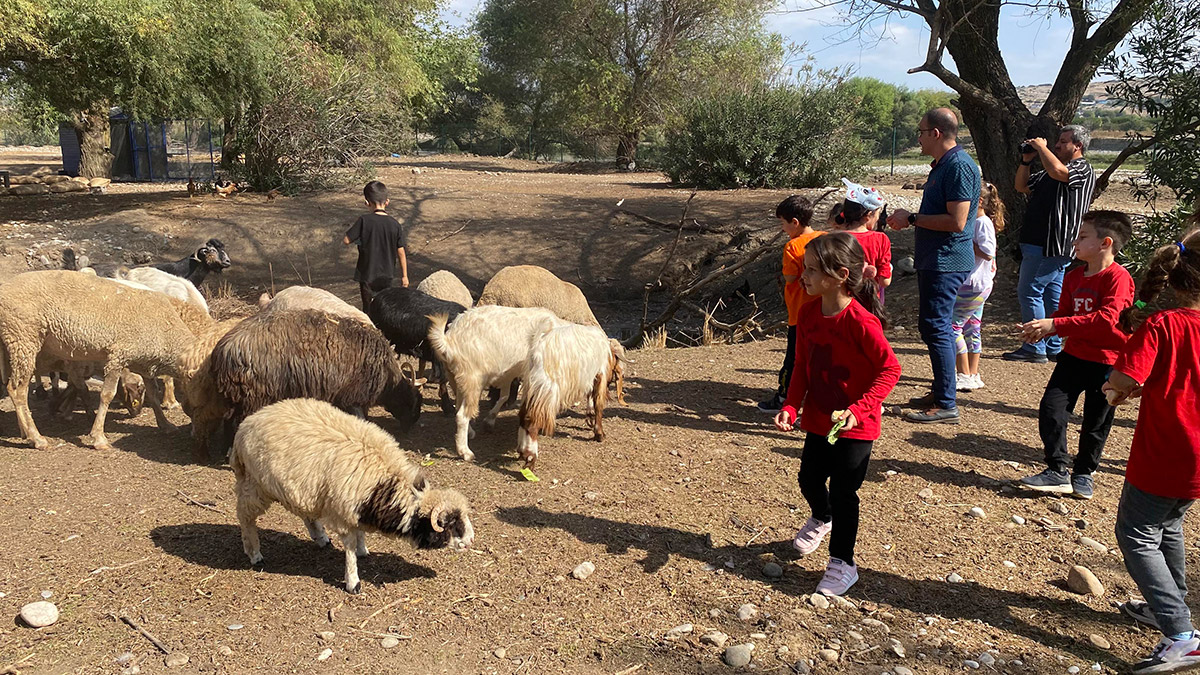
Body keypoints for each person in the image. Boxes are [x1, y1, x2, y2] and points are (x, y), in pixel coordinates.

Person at [773, 232, 901, 596]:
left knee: (845, 492)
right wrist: (789, 405)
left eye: (812, 270)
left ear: (841, 275)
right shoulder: (809, 311)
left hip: (857, 426)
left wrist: (859, 410)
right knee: (809, 480)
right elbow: (801, 366)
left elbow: (890, 369)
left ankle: (843, 563)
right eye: (804, 269)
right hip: (818, 419)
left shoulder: (860, 321)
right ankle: (821, 516)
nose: (804, 277)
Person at [1102, 226, 1200, 674]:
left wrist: (1118, 389)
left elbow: (1123, 380)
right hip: (1195, 461)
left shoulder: (1165, 324)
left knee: (1136, 533)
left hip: (1167, 451)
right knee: (1169, 525)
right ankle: (1168, 607)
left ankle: (1181, 635)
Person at [1017, 211, 1134, 499]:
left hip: (1108, 362)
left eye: (1082, 237)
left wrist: (1055, 324)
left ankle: (1084, 473)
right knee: (1051, 409)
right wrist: (1042, 329)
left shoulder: (1118, 278)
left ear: (1105, 243)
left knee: (1096, 421)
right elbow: (1065, 315)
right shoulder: (1072, 276)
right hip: (1074, 357)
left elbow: (1108, 318)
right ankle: (1057, 469)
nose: (1075, 242)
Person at [887, 108, 980, 424]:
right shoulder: (944, 166)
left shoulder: (958, 167)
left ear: (936, 133)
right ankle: (941, 390)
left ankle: (945, 403)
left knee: (937, 327)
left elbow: (958, 221)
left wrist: (911, 219)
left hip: (947, 261)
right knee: (931, 326)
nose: (919, 136)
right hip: (935, 260)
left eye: (921, 131)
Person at [1005, 125, 1097, 363]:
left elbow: (1059, 172)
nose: (1057, 145)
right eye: (1056, 142)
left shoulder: (1082, 168)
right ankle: (1053, 346)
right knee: (1051, 297)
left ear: (1078, 146)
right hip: (1036, 242)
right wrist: (1026, 161)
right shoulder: (1049, 170)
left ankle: (1034, 347)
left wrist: (1043, 148)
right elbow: (1021, 186)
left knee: (1030, 291)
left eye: (1063, 142)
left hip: (1054, 243)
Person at [758, 195, 823, 412]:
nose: (783, 228)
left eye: (783, 223)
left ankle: (784, 396)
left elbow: (790, 278)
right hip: (826, 310)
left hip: (800, 313)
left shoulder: (793, 246)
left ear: (794, 222)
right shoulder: (826, 238)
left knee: (794, 359)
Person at [952, 182, 1005, 391]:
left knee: (952, 327)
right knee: (972, 327)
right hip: (978, 282)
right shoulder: (978, 222)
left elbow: (988, 251)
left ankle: (964, 373)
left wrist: (965, 241)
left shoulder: (981, 223)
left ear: (979, 201)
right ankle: (973, 373)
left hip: (972, 284)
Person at [344, 181, 408, 311]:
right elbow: (401, 252)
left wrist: (361, 238)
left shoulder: (364, 220)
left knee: (367, 310)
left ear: (367, 202)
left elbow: (346, 240)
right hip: (387, 275)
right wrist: (404, 276)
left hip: (367, 274)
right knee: (384, 308)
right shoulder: (395, 224)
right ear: (387, 201)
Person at [832, 178, 892, 301]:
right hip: (870, 303)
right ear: (868, 215)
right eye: (877, 214)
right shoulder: (880, 239)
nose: (878, 219)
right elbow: (884, 282)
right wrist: (889, 269)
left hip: (841, 302)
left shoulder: (834, 239)